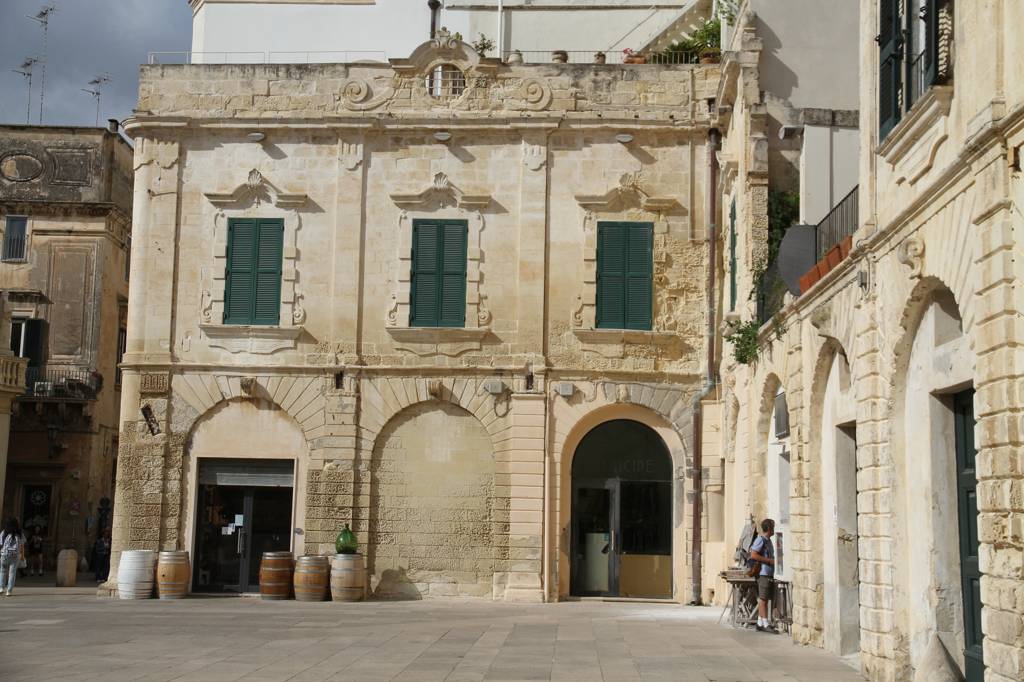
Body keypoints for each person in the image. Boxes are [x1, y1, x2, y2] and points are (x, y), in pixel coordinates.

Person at [749, 518, 777, 633]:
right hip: (763, 573)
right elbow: (753, 555)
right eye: (773, 527)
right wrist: (769, 561)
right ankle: (765, 623)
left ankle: (760, 622)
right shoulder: (761, 540)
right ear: (769, 528)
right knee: (763, 598)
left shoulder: (768, 540)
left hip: (768, 573)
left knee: (765, 597)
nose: (774, 529)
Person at [0, 518, 25, 596]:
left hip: (5, 555)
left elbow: (1, 544)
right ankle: (9, 591)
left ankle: (1, 588)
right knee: (12, 573)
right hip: (15, 556)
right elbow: (22, 546)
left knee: (3, 571)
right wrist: (22, 556)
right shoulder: (20, 533)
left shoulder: (4, 532)